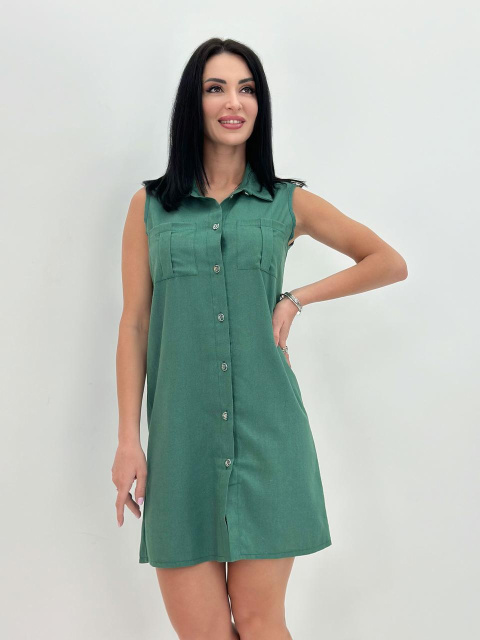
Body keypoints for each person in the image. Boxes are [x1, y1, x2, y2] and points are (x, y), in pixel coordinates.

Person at [111, 37, 408, 640]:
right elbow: (135, 323)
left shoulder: (285, 202)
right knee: (202, 633)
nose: (233, 102)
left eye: (246, 89)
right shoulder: (150, 207)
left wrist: (296, 299)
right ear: (192, 103)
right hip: (181, 443)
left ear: (260, 104)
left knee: (259, 622)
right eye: (216, 88)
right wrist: (126, 440)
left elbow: (387, 261)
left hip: (269, 437)